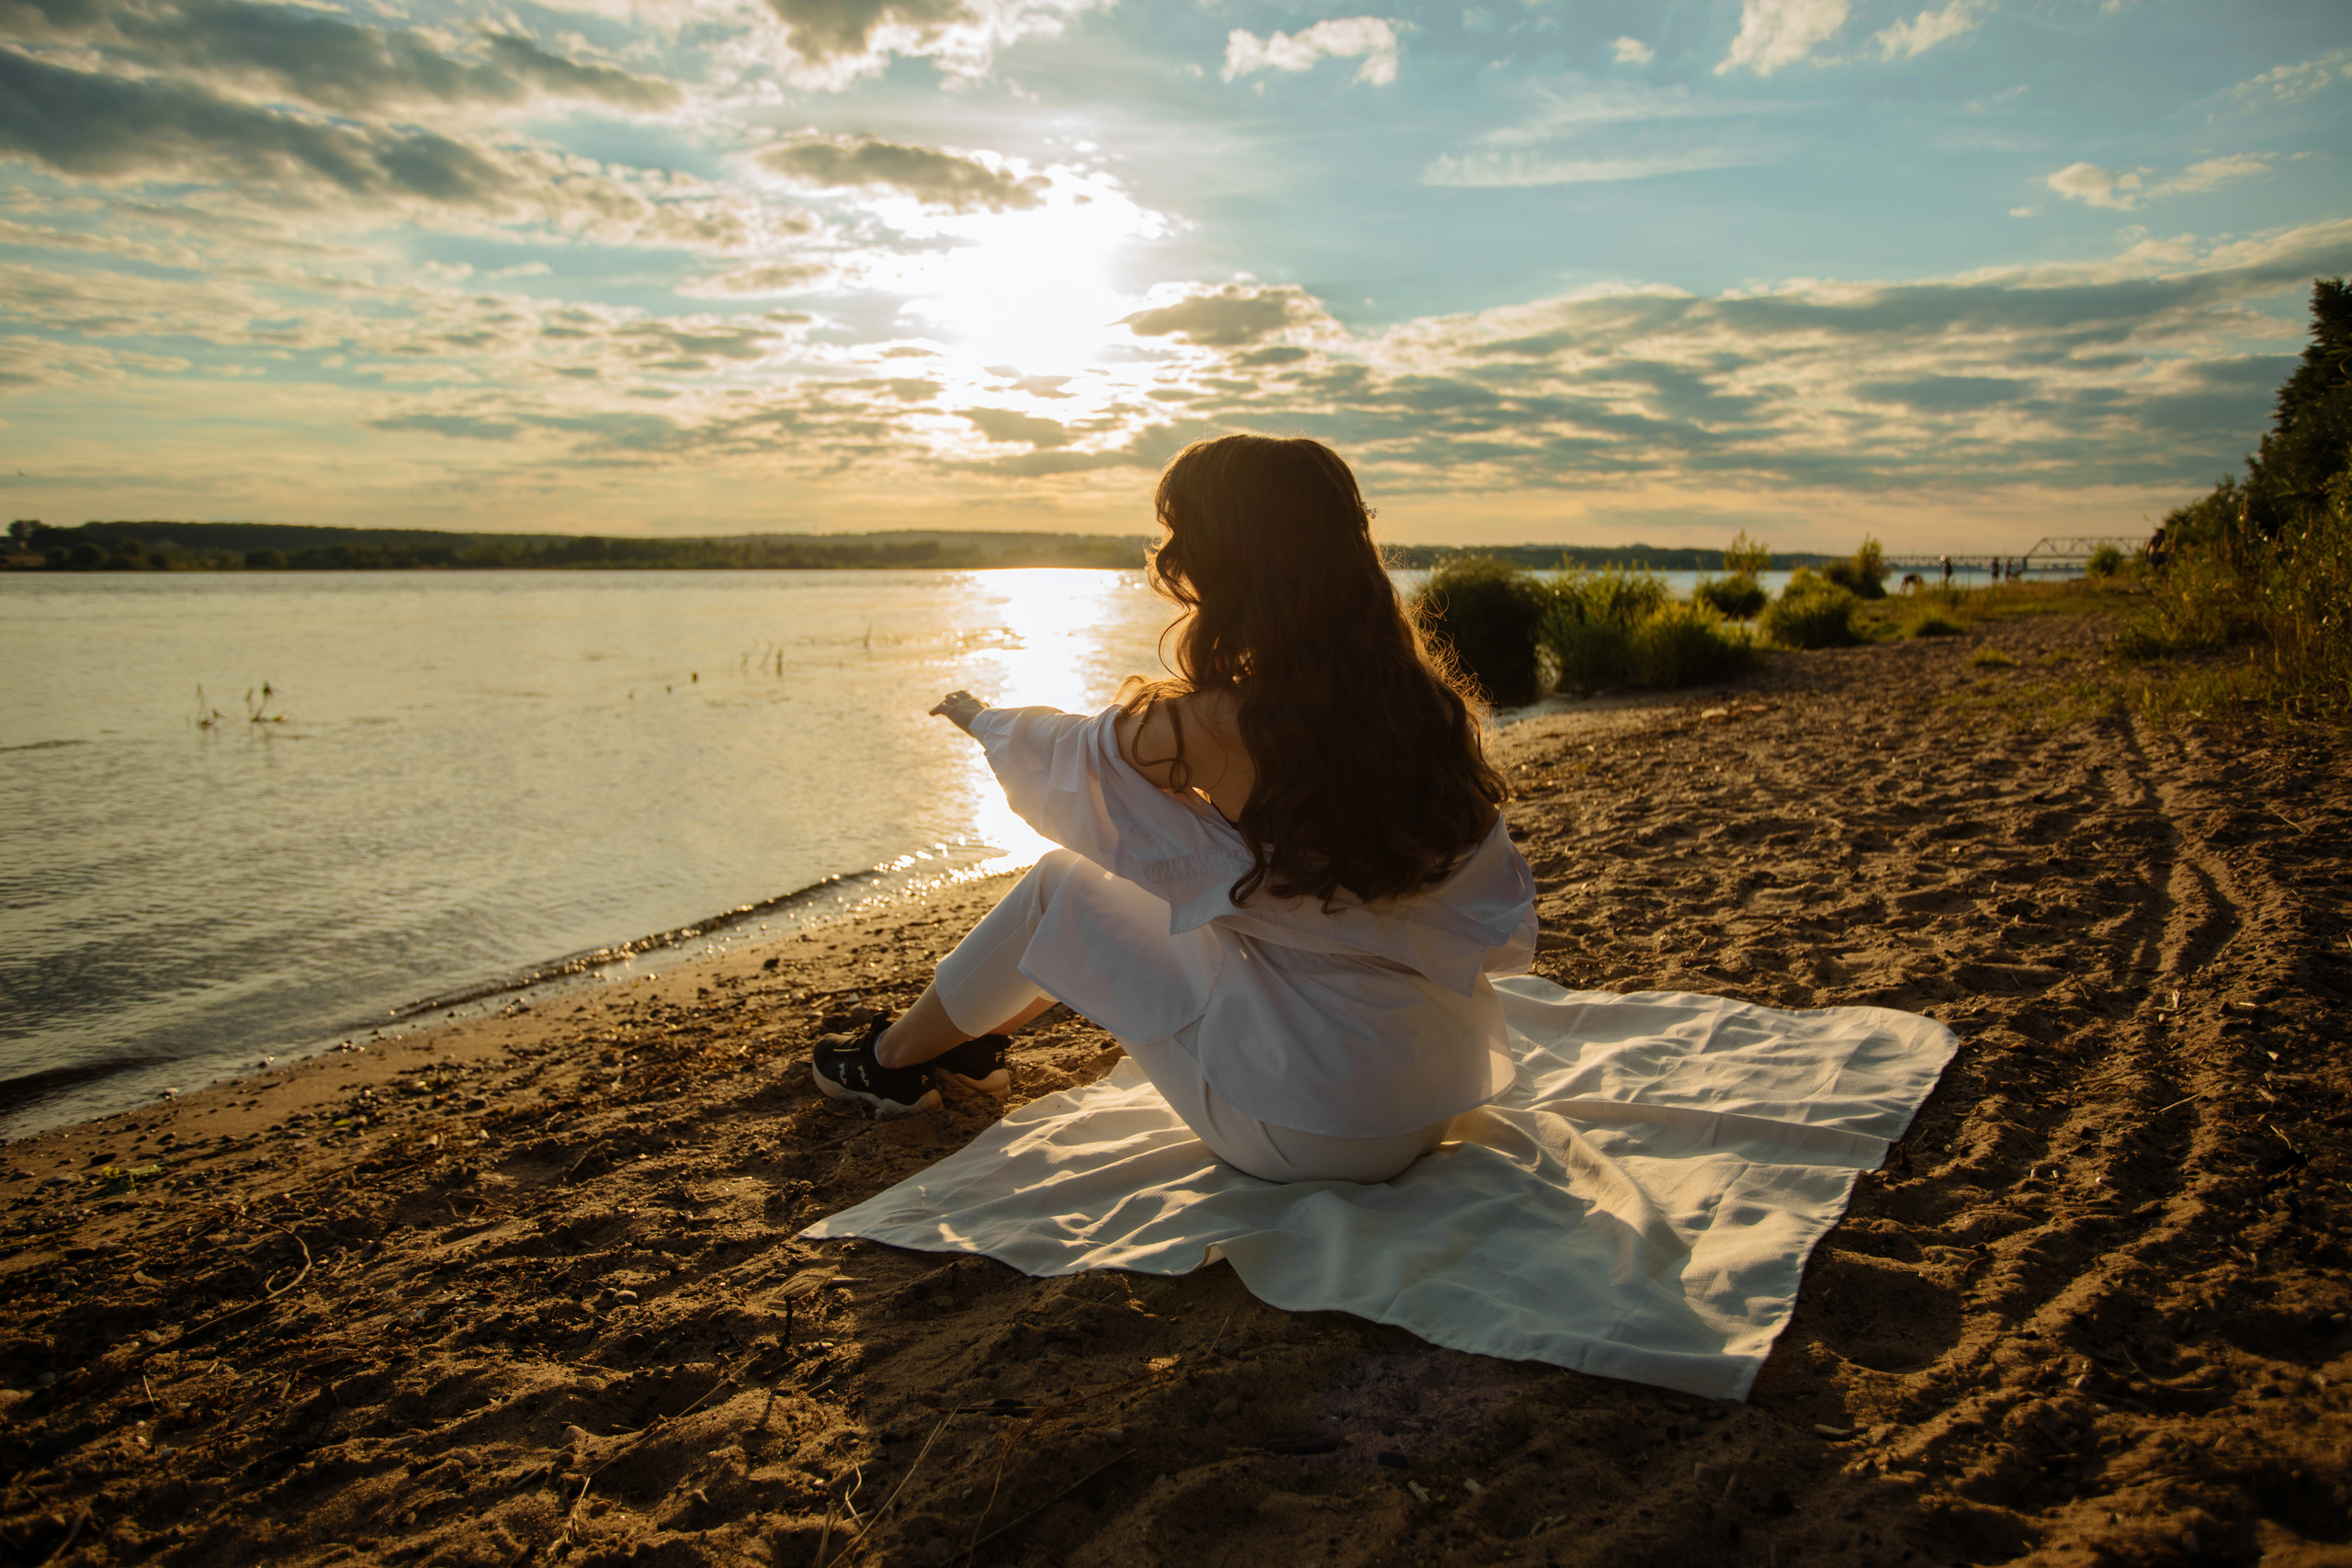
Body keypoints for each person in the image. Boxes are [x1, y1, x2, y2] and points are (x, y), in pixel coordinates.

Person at [808, 434, 1537, 1185]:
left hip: (1310, 1126)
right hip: (1432, 1093)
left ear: (1227, 555)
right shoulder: (1426, 708)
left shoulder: (1221, 720)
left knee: (1064, 881)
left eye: (1179, 531)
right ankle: (965, 1048)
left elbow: (1070, 754)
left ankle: (889, 1061)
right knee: (1172, 893)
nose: (1169, 552)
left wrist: (979, 716)